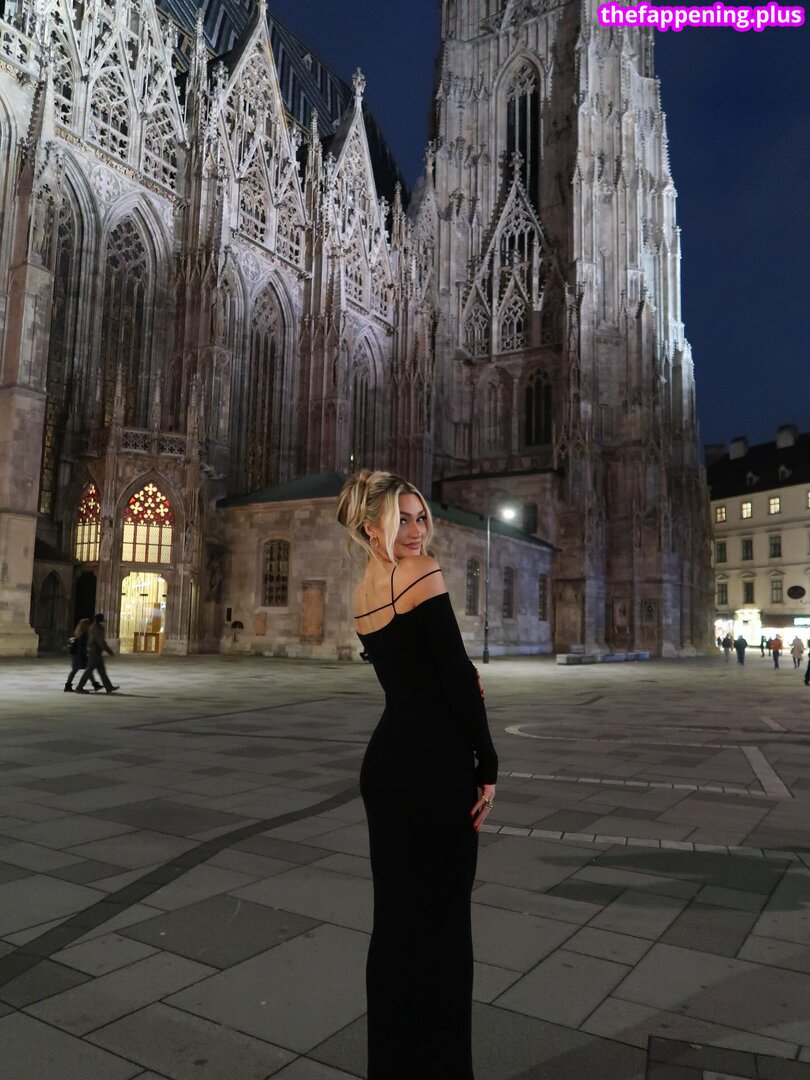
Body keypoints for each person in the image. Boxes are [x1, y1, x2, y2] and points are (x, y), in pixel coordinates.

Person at [337, 470, 497, 1080]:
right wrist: (488, 763)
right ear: (372, 527)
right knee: (446, 932)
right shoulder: (422, 573)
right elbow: (455, 679)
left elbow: (410, 677)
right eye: (401, 519)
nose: (415, 529)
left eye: (420, 516)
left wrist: (458, 681)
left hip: (386, 768)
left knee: (395, 930)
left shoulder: (362, 594)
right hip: (435, 768)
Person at [75, 613, 119, 694]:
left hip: (95, 651)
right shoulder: (97, 628)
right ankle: (79, 687)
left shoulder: (92, 627)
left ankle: (109, 687)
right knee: (89, 671)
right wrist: (109, 651)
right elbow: (101, 642)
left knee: (102, 671)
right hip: (94, 651)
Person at [64, 619, 102, 692]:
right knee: (82, 670)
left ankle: (94, 684)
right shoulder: (83, 634)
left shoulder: (78, 632)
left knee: (84, 670)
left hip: (77, 655)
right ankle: (68, 686)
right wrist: (86, 653)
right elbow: (82, 645)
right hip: (80, 655)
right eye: (88, 624)